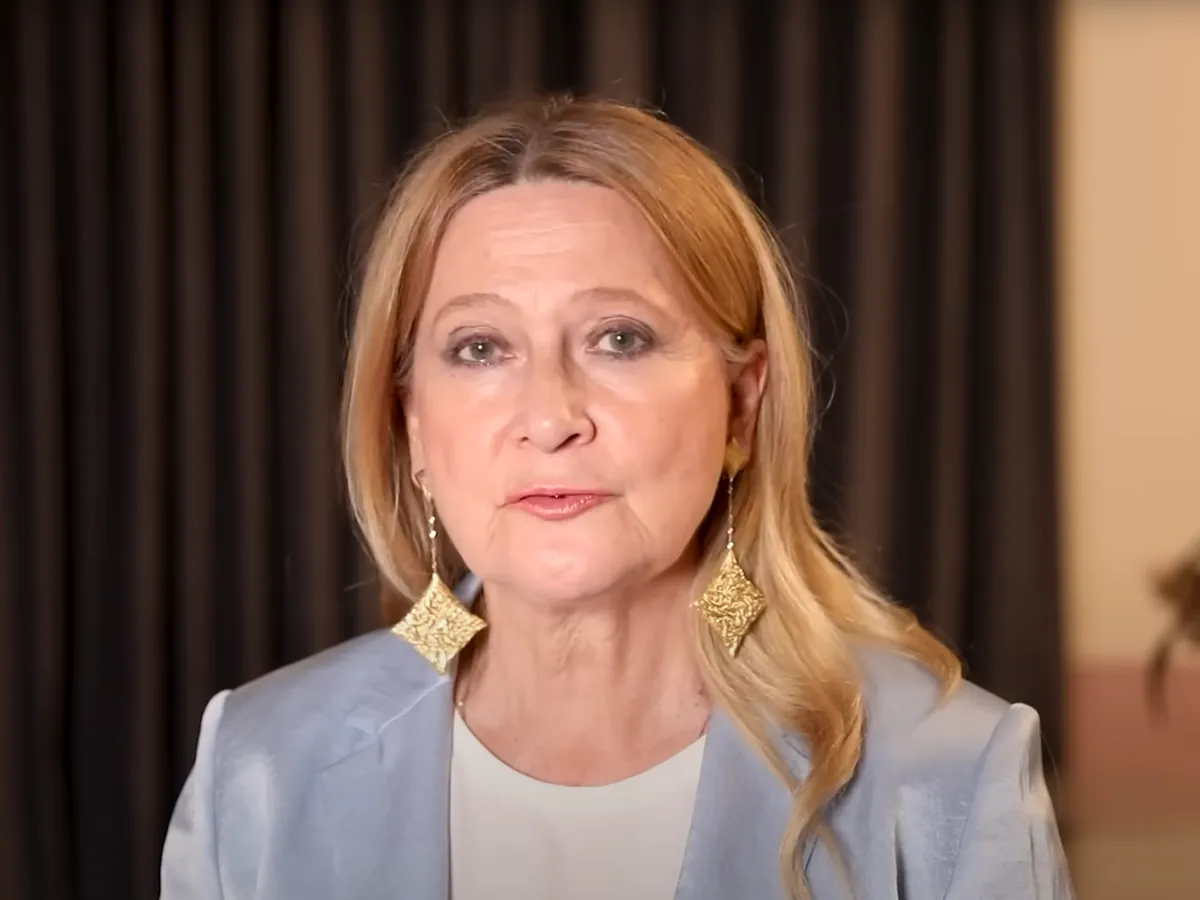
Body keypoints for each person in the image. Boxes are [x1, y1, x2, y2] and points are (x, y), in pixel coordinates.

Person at [160, 95, 1073, 900]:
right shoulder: (259, 770)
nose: (549, 418)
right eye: (480, 348)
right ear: (413, 426)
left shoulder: (946, 774)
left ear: (741, 405)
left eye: (619, 339)